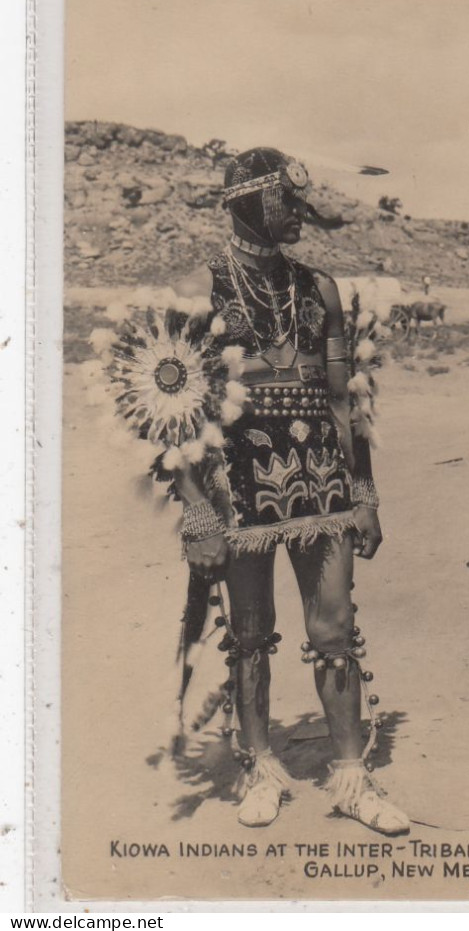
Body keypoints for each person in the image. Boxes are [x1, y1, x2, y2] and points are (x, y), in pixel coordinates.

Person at [105, 147, 409, 835]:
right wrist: (198, 507)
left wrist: (364, 490)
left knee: (336, 632)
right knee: (248, 637)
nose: (297, 216)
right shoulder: (199, 288)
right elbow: (163, 407)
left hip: (323, 484)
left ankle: (352, 775)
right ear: (250, 202)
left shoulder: (319, 288)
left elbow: (343, 396)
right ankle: (260, 766)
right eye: (285, 203)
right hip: (238, 489)